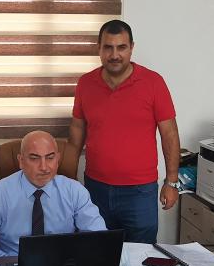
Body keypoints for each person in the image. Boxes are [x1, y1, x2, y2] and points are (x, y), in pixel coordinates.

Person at [68, 19, 181, 244]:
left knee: (140, 256)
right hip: (96, 189)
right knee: (97, 253)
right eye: (108, 47)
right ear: (99, 48)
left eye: (121, 47)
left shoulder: (153, 82)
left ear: (131, 48)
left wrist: (172, 182)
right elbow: (76, 135)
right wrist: (69, 182)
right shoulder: (86, 83)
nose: (114, 55)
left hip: (139, 192)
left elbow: (169, 134)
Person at [0, 130, 106, 257]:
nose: (44, 167)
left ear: (58, 159)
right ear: (21, 161)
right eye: (34, 158)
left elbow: (98, 237)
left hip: (62, 264)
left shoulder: (75, 191)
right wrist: (10, 263)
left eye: (50, 158)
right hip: (13, 262)